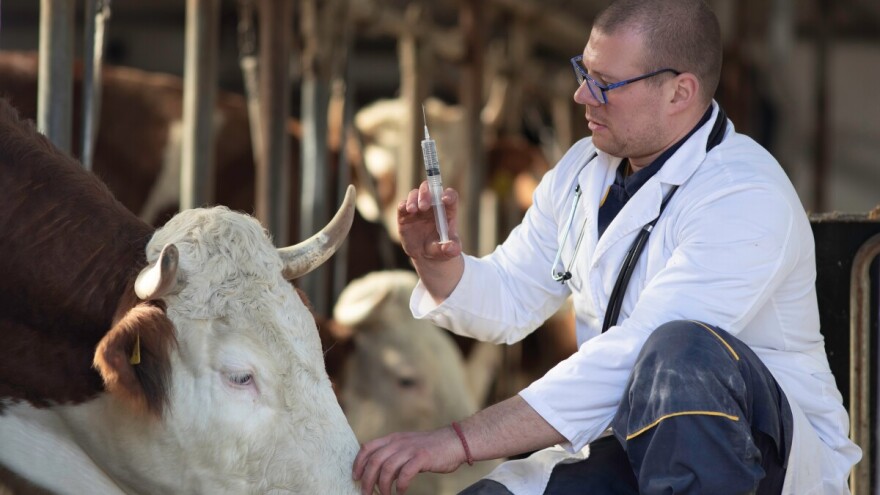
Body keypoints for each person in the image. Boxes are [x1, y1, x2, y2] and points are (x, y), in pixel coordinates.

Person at [352, 0, 862, 493]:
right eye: (583, 71)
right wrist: (437, 265)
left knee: (680, 350)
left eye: (606, 84)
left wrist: (460, 440)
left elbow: (638, 356)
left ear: (679, 92)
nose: (581, 96)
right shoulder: (581, 171)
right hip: (624, 441)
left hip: (758, 459)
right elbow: (512, 295)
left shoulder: (745, 194)